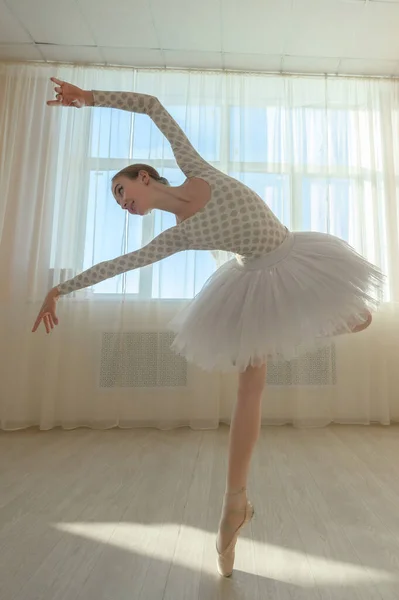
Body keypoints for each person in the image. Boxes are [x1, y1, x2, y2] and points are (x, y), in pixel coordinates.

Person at [32, 77, 384, 577]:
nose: (121, 202)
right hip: (253, 286)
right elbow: (120, 264)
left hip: (295, 258)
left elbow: (152, 106)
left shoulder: (196, 170)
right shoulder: (178, 237)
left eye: (121, 190)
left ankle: (285, 343)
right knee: (250, 385)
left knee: (363, 318)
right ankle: (234, 503)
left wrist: (90, 99)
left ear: (144, 177)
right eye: (116, 201)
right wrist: (59, 289)